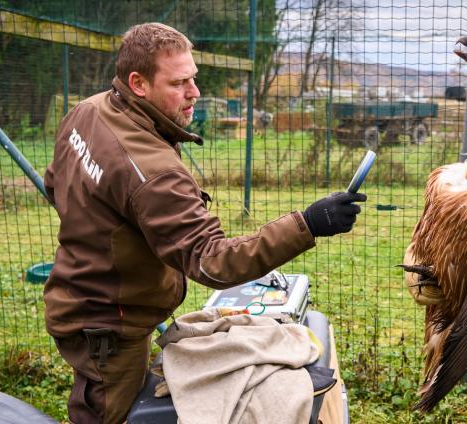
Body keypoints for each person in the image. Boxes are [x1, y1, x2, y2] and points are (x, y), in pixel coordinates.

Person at [43, 22, 366, 424]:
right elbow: (213, 261)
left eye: (193, 78)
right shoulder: (155, 173)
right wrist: (308, 223)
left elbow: (55, 182)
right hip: (107, 326)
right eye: (179, 83)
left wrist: (102, 233)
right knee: (109, 413)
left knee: (97, 397)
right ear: (138, 83)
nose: (194, 92)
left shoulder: (87, 112)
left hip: (76, 295)